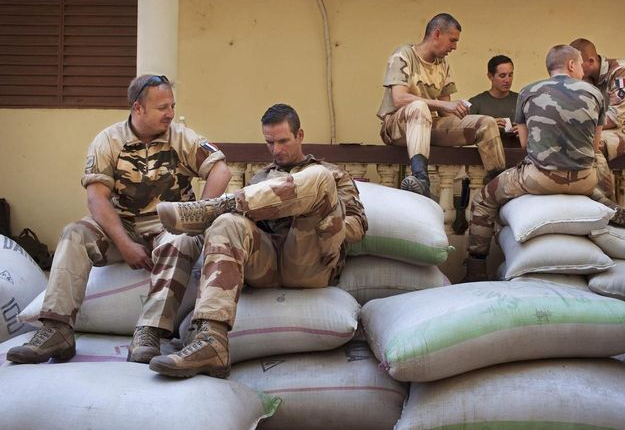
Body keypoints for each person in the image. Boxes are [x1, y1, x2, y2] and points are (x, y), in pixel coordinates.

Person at [7, 74, 231, 364]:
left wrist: (195, 216)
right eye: (163, 107)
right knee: (74, 233)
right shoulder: (108, 140)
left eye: (172, 106)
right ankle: (56, 329)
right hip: (121, 227)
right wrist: (124, 244)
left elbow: (220, 170)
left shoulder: (181, 136)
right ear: (138, 108)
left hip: (168, 226)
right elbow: (96, 199)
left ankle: (149, 332)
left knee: (181, 239)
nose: (170, 114)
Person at [147, 104, 368, 378]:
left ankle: (214, 207)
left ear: (300, 135)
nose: (276, 150)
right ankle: (211, 340)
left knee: (317, 180)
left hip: (311, 256)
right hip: (268, 262)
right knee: (228, 222)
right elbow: (245, 231)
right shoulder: (260, 178)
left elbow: (357, 227)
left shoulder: (332, 173)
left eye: (283, 141)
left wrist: (319, 217)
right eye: (270, 143)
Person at [464, 45, 625, 281]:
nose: (582, 72)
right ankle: (611, 208)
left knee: (484, 199)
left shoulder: (527, 91)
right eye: (579, 65)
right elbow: (595, 145)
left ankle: (475, 269)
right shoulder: (595, 94)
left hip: (539, 178)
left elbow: (525, 144)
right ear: (571, 65)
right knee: (589, 186)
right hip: (584, 179)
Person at [377, 13, 505, 196]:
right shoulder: (404, 54)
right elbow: (399, 98)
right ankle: (420, 179)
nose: (454, 47)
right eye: (452, 40)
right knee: (419, 108)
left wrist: (460, 112)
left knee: (486, 123)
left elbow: (446, 112)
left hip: (428, 127)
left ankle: (497, 187)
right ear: (437, 34)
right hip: (397, 127)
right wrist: (443, 106)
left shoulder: (443, 64)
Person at [569, 38, 625, 160]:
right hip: (612, 128)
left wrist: (580, 127)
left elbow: (615, 117)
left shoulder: (622, 71)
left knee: (588, 144)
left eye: (576, 65)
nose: (572, 70)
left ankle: (602, 180)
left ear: (590, 61)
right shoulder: (587, 78)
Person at [469, 55, 519, 135]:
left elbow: (537, 128)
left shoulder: (521, 101)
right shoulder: (476, 103)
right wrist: (488, 126)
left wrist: (524, 130)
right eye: (502, 76)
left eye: (510, 75)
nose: (507, 80)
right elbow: (466, 134)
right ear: (490, 76)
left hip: (517, 147)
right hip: (487, 147)